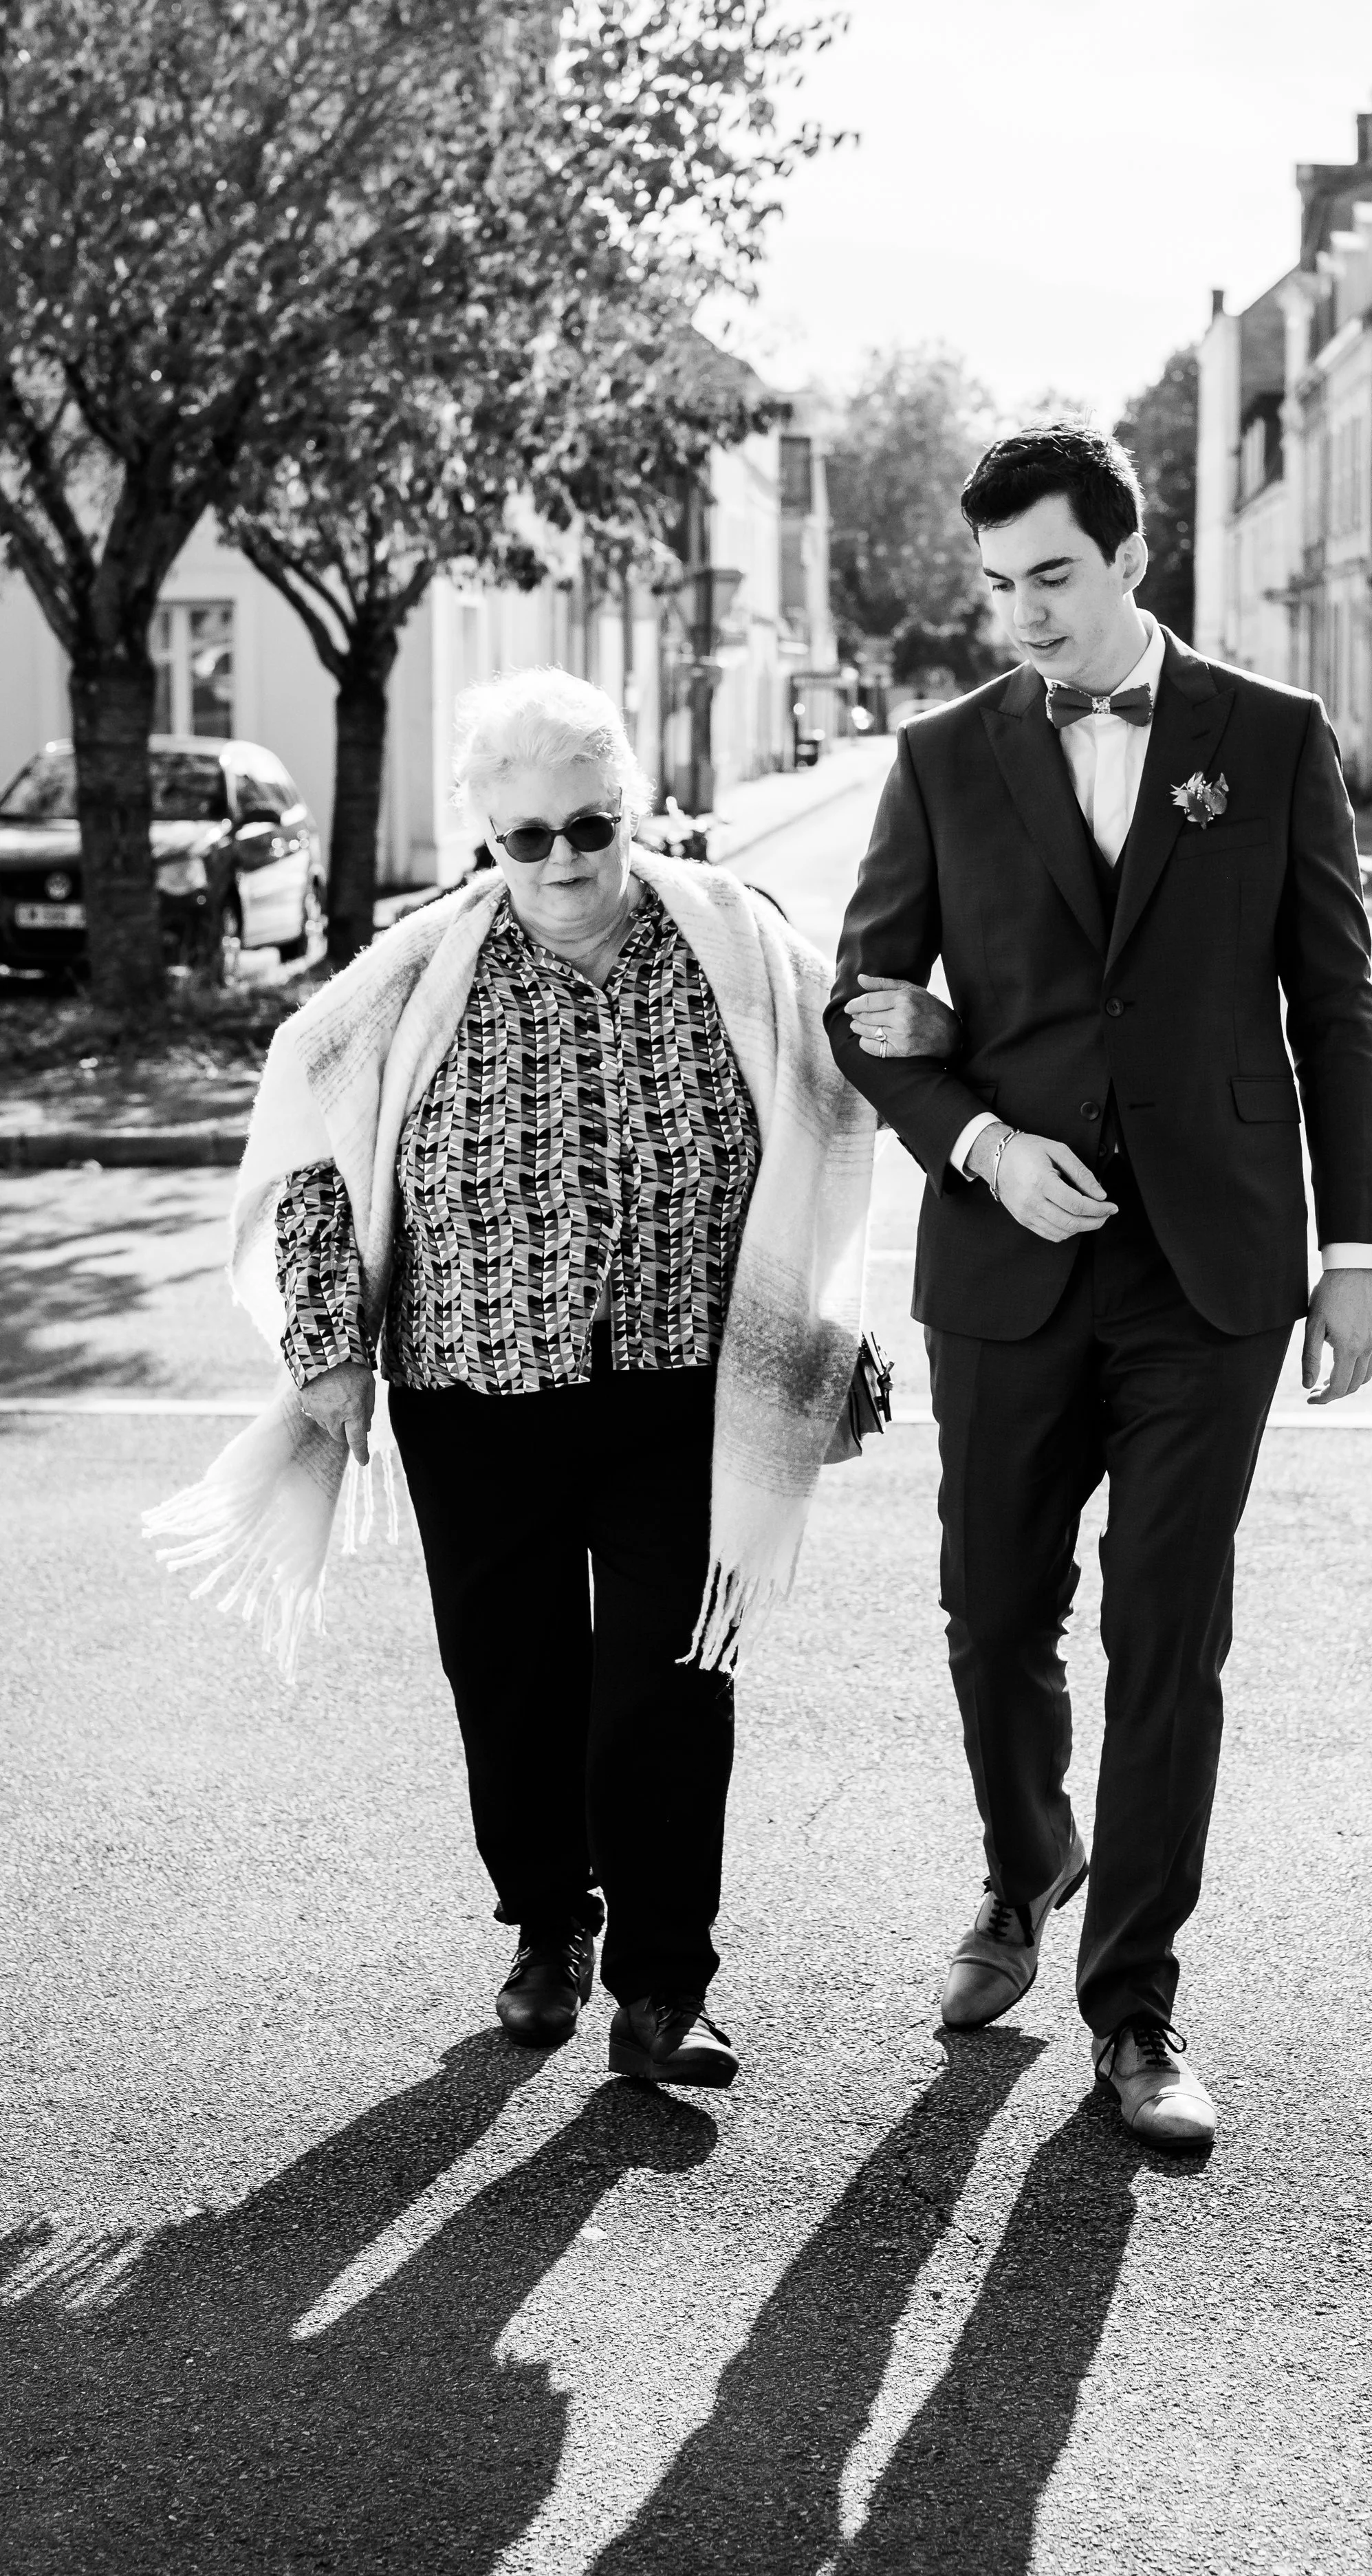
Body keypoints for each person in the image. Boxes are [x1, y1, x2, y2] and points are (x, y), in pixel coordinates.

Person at [151, 669, 873, 2085]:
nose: (563, 861)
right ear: (489, 837)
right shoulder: (419, 970)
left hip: (679, 1384)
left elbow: (839, 1093)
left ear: (631, 809)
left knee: (671, 1679)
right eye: (526, 836)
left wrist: (832, 1323)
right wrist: (327, 1352)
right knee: (512, 1678)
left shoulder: (733, 942)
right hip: (473, 1393)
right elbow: (316, 1149)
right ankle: (549, 1922)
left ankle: (664, 1987)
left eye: (589, 826)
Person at [826, 424, 1372, 2149]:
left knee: (1167, 1632)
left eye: (1052, 577)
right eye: (998, 585)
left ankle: (1133, 2007)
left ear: (1132, 558)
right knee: (993, 1612)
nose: (1023, 615)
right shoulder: (939, 757)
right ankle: (1026, 1864)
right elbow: (867, 1013)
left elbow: (1332, 1008)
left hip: (1211, 1268)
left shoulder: (1270, 738)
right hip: (1007, 1259)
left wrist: (1354, 1254)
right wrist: (980, 1144)